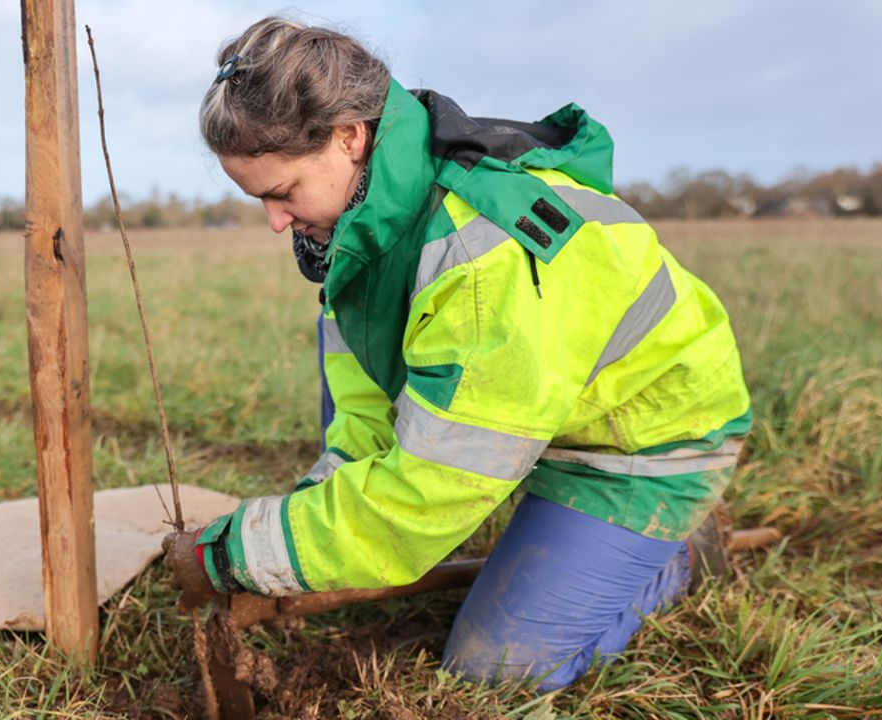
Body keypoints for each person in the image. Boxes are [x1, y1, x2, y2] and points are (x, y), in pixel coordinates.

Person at [163, 16, 751, 691]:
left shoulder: (481, 258)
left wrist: (242, 549)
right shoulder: (357, 237)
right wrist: (298, 542)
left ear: (350, 135)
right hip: (531, 418)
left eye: (282, 192)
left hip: (640, 444)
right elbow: (362, 420)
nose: (273, 222)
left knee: (498, 669)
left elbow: (431, 492)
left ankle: (673, 556)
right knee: (382, 530)